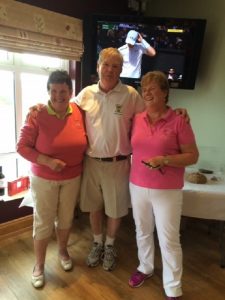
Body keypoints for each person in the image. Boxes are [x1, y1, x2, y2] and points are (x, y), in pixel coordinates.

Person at [74, 48, 189, 272]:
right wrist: (41, 107)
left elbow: (154, 111)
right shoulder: (85, 94)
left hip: (118, 163)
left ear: (121, 69)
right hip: (91, 162)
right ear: (98, 66)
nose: (110, 69)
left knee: (115, 210)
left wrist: (178, 112)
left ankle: (110, 245)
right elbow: (68, 113)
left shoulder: (130, 95)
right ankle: (97, 242)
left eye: (115, 66)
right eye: (106, 64)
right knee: (93, 207)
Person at [128, 71, 199, 300]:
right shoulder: (136, 118)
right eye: (144, 88)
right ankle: (145, 267)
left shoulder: (179, 120)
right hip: (137, 184)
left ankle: (173, 288)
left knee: (168, 239)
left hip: (167, 190)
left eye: (152, 88)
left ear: (165, 93)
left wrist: (165, 160)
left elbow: (192, 156)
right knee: (142, 231)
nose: (146, 92)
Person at [17, 70, 87, 288]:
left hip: (73, 177)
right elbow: (21, 147)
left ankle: (63, 251)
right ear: (48, 92)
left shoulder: (78, 111)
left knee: (66, 219)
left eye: (63, 91)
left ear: (71, 92)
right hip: (44, 178)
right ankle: (38, 265)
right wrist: (47, 161)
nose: (59, 95)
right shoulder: (37, 114)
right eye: (54, 91)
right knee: (44, 221)